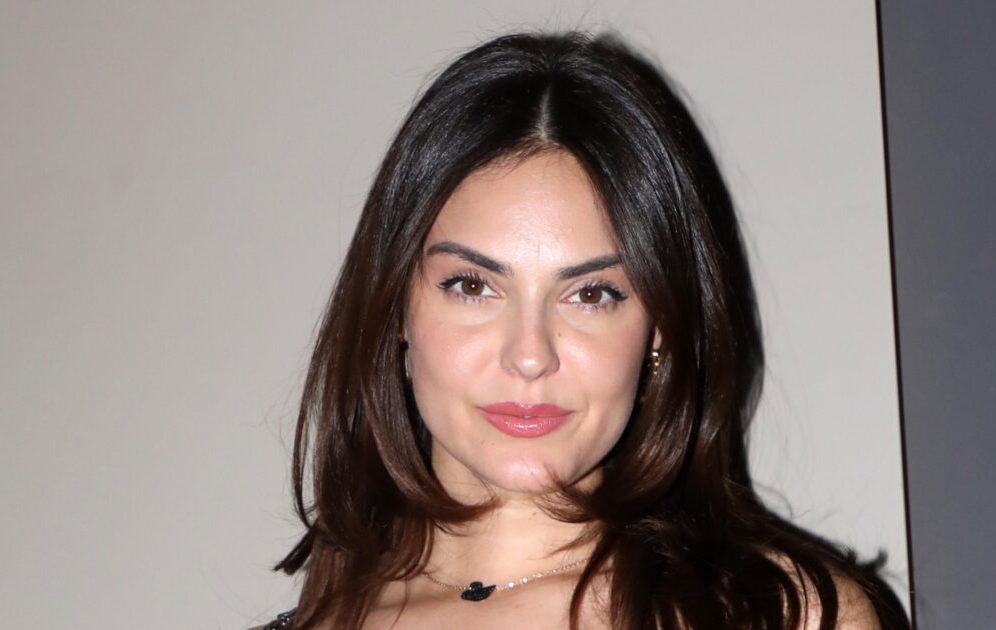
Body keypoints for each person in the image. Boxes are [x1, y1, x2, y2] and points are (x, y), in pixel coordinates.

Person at [256, 30, 908, 630]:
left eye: (591, 295)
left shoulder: (787, 619)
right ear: (398, 305)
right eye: (473, 286)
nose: (529, 356)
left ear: (659, 328)